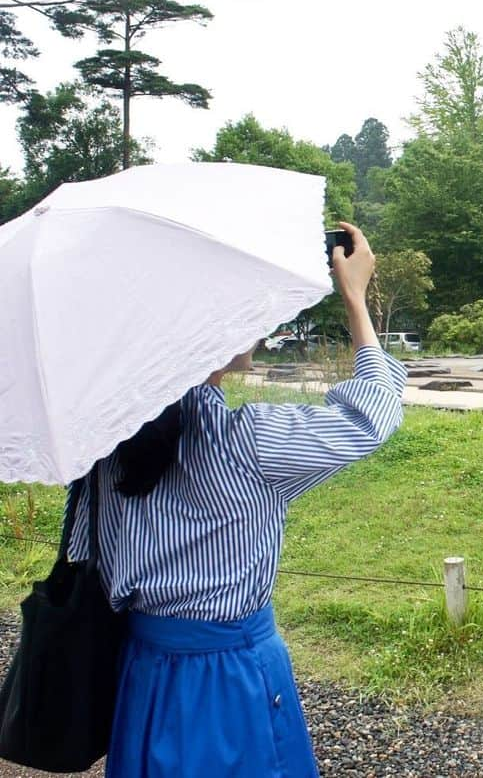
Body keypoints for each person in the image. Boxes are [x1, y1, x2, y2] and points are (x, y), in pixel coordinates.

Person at [64, 223, 405, 777]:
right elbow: (370, 419)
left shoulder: (103, 440)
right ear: (210, 332)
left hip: (145, 671)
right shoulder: (244, 440)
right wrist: (356, 300)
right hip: (229, 676)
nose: (262, 324)